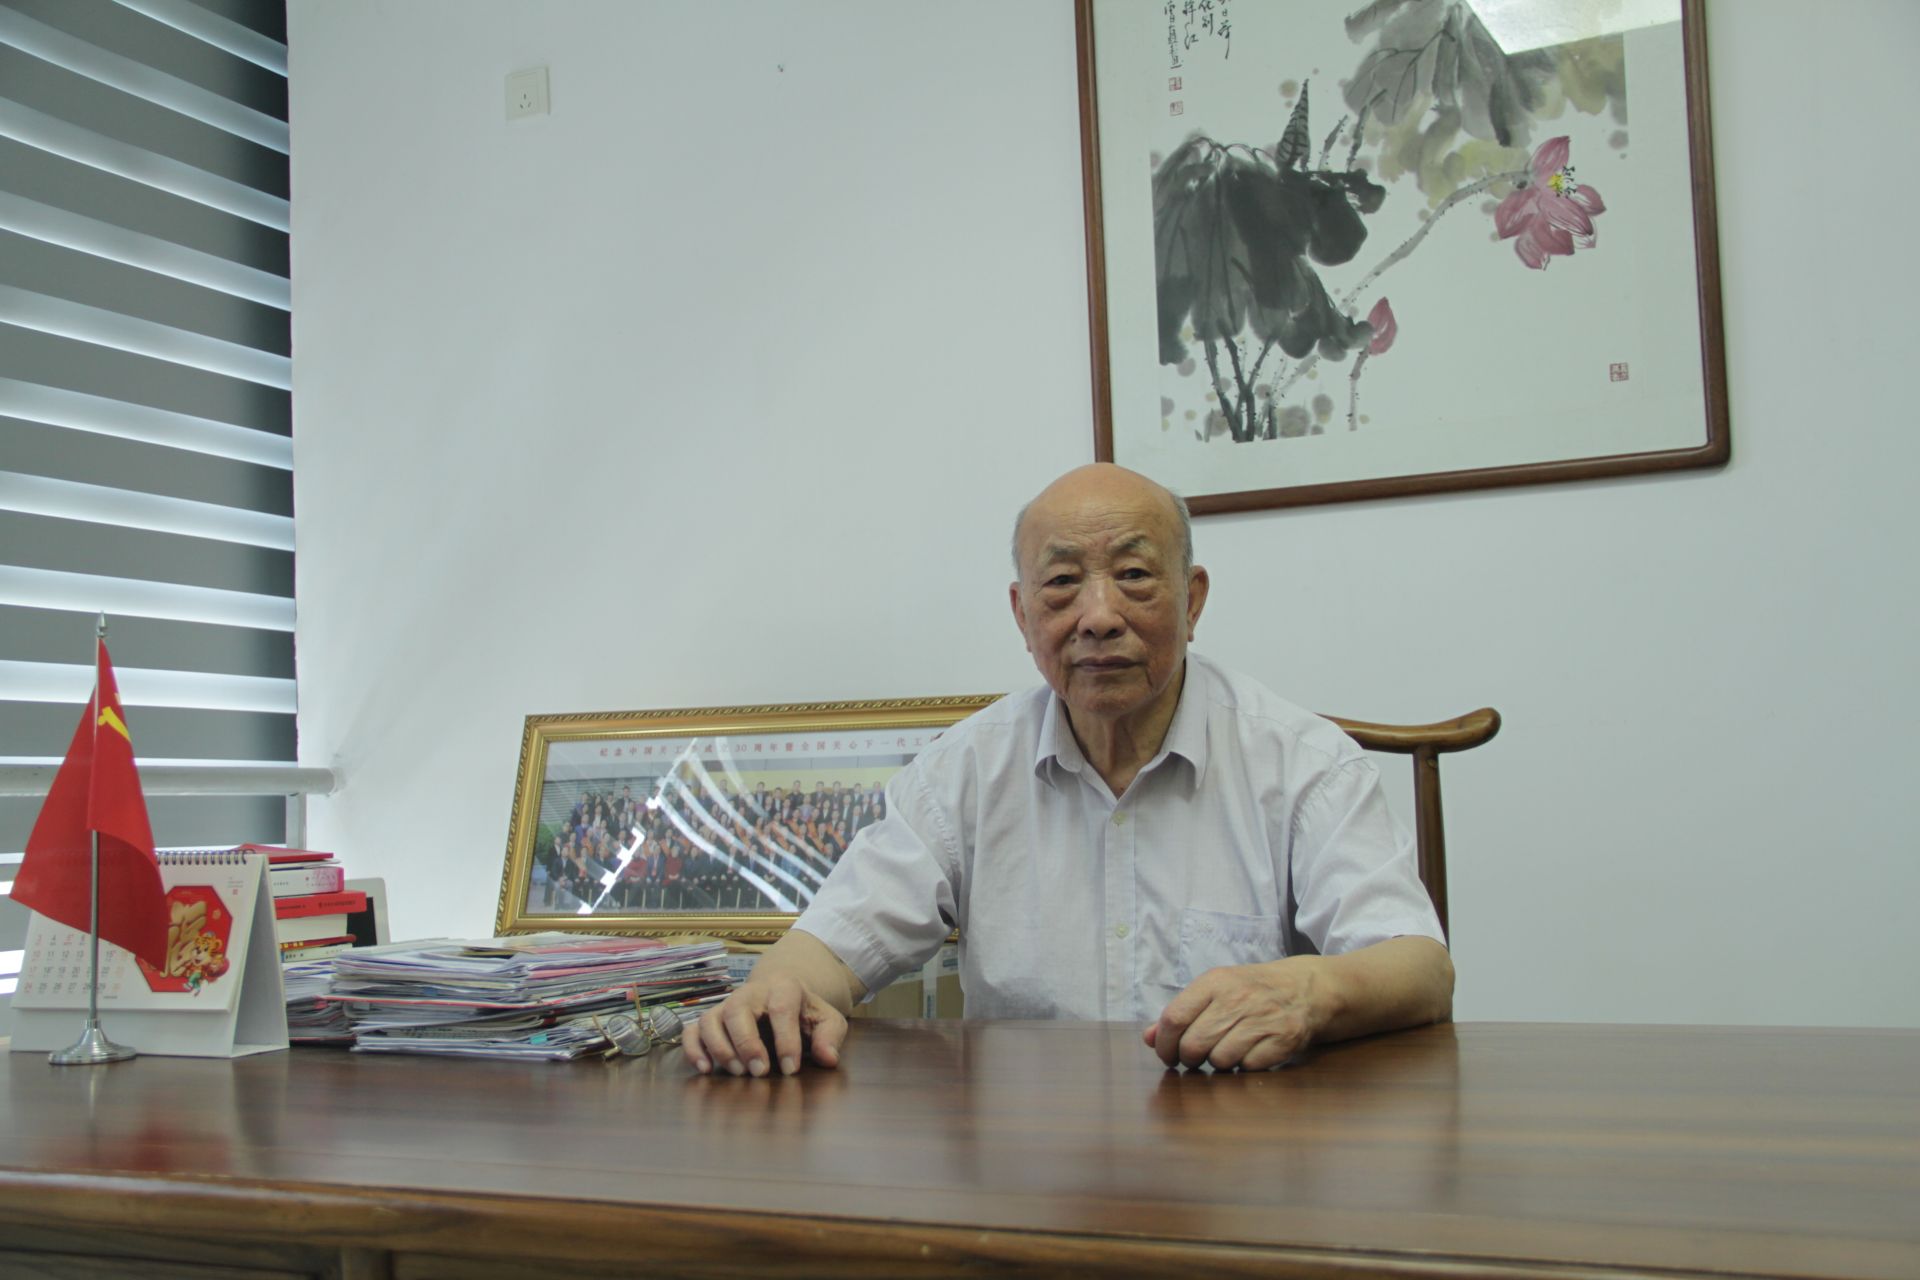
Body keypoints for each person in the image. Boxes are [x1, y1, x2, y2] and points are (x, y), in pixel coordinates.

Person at [685, 463, 1453, 1078]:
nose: (1099, 616)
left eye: (1135, 575)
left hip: (1246, 1152)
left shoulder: (1302, 763)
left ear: (1192, 600)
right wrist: (774, 993)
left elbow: (1419, 968)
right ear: (1023, 616)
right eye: (1061, 584)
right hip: (1027, 1160)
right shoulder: (964, 771)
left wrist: (1310, 990)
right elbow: (830, 946)